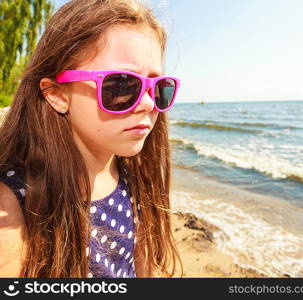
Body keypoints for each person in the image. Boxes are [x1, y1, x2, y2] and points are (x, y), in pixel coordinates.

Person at [0, 0, 183, 278]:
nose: (148, 104)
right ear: (57, 94)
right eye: (121, 85)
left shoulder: (134, 177)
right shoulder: (13, 209)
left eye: (159, 88)